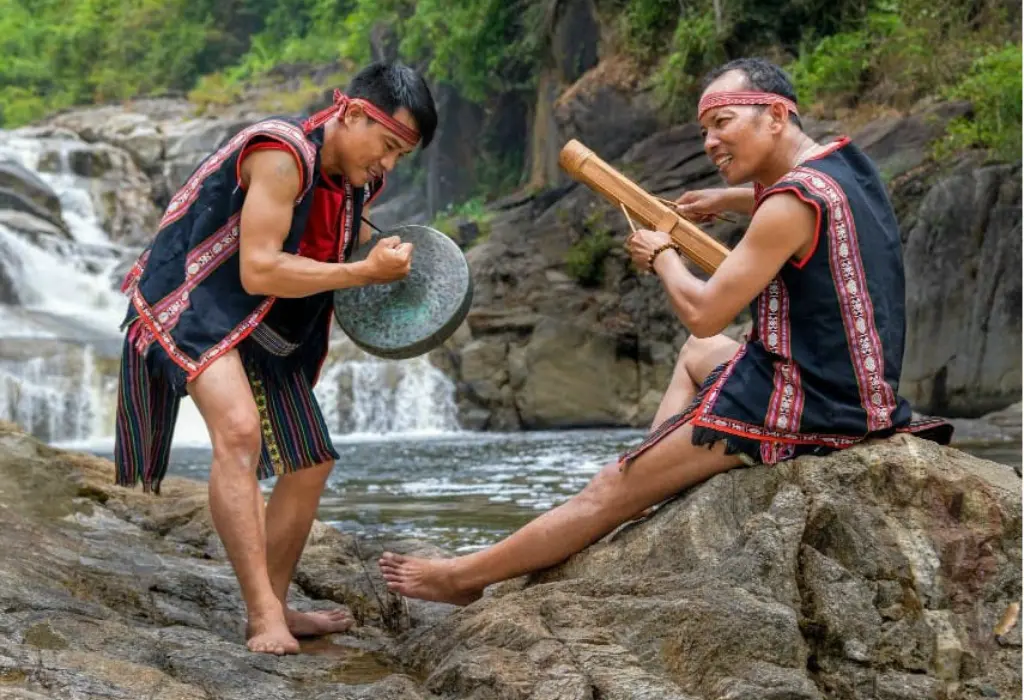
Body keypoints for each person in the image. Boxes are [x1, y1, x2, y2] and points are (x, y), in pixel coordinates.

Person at [378, 57, 952, 605]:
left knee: (612, 483)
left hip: (807, 401)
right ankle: (657, 466)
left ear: (776, 115)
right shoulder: (845, 167)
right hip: (859, 387)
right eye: (705, 129)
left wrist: (663, 255)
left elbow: (704, 311)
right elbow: (781, 216)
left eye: (722, 122)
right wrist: (727, 199)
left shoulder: (789, 205)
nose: (710, 142)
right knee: (700, 354)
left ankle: (464, 576)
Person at [114, 62, 437, 654]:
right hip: (188, 299)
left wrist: (388, 264)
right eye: (387, 146)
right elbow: (259, 265)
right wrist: (364, 271)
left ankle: (278, 602)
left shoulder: (358, 180)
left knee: (310, 461)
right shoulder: (282, 154)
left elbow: (321, 245)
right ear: (353, 113)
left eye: (400, 156)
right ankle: (263, 614)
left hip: (261, 320)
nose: (388, 164)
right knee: (239, 432)